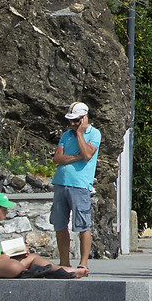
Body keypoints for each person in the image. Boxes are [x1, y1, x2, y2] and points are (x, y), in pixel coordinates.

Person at [0, 192, 80, 278]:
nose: (7, 212)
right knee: (14, 266)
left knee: (34, 258)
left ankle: (61, 271)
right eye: (4, 210)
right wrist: (0, 257)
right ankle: (32, 272)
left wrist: (17, 252)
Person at [51, 101, 100, 273]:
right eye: (70, 121)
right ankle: (64, 262)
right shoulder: (66, 135)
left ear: (84, 118)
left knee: (82, 225)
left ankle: (83, 263)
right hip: (61, 182)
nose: (72, 124)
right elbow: (57, 158)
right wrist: (76, 157)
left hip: (80, 185)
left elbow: (87, 154)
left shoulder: (94, 134)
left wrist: (80, 134)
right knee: (60, 224)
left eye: (76, 120)